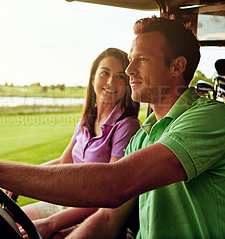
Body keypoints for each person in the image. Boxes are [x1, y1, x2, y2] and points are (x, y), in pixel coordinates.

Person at [0, 16, 225, 238]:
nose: (128, 70)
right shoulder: (145, 136)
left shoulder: (214, 119)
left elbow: (116, 184)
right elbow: (107, 215)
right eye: (129, 59)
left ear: (176, 66)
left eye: (140, 59)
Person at [16, 47, 140, 238]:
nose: (110, 82)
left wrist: (51, 223)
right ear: (92, 79)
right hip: (65, 201)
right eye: (105, 73)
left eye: (120, 77)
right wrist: (19, 181)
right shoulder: (85, 122)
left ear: (127, 85)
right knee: (7, 221)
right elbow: (63, 163)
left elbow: (111, 193)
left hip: (90, 213)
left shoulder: (127, 126)